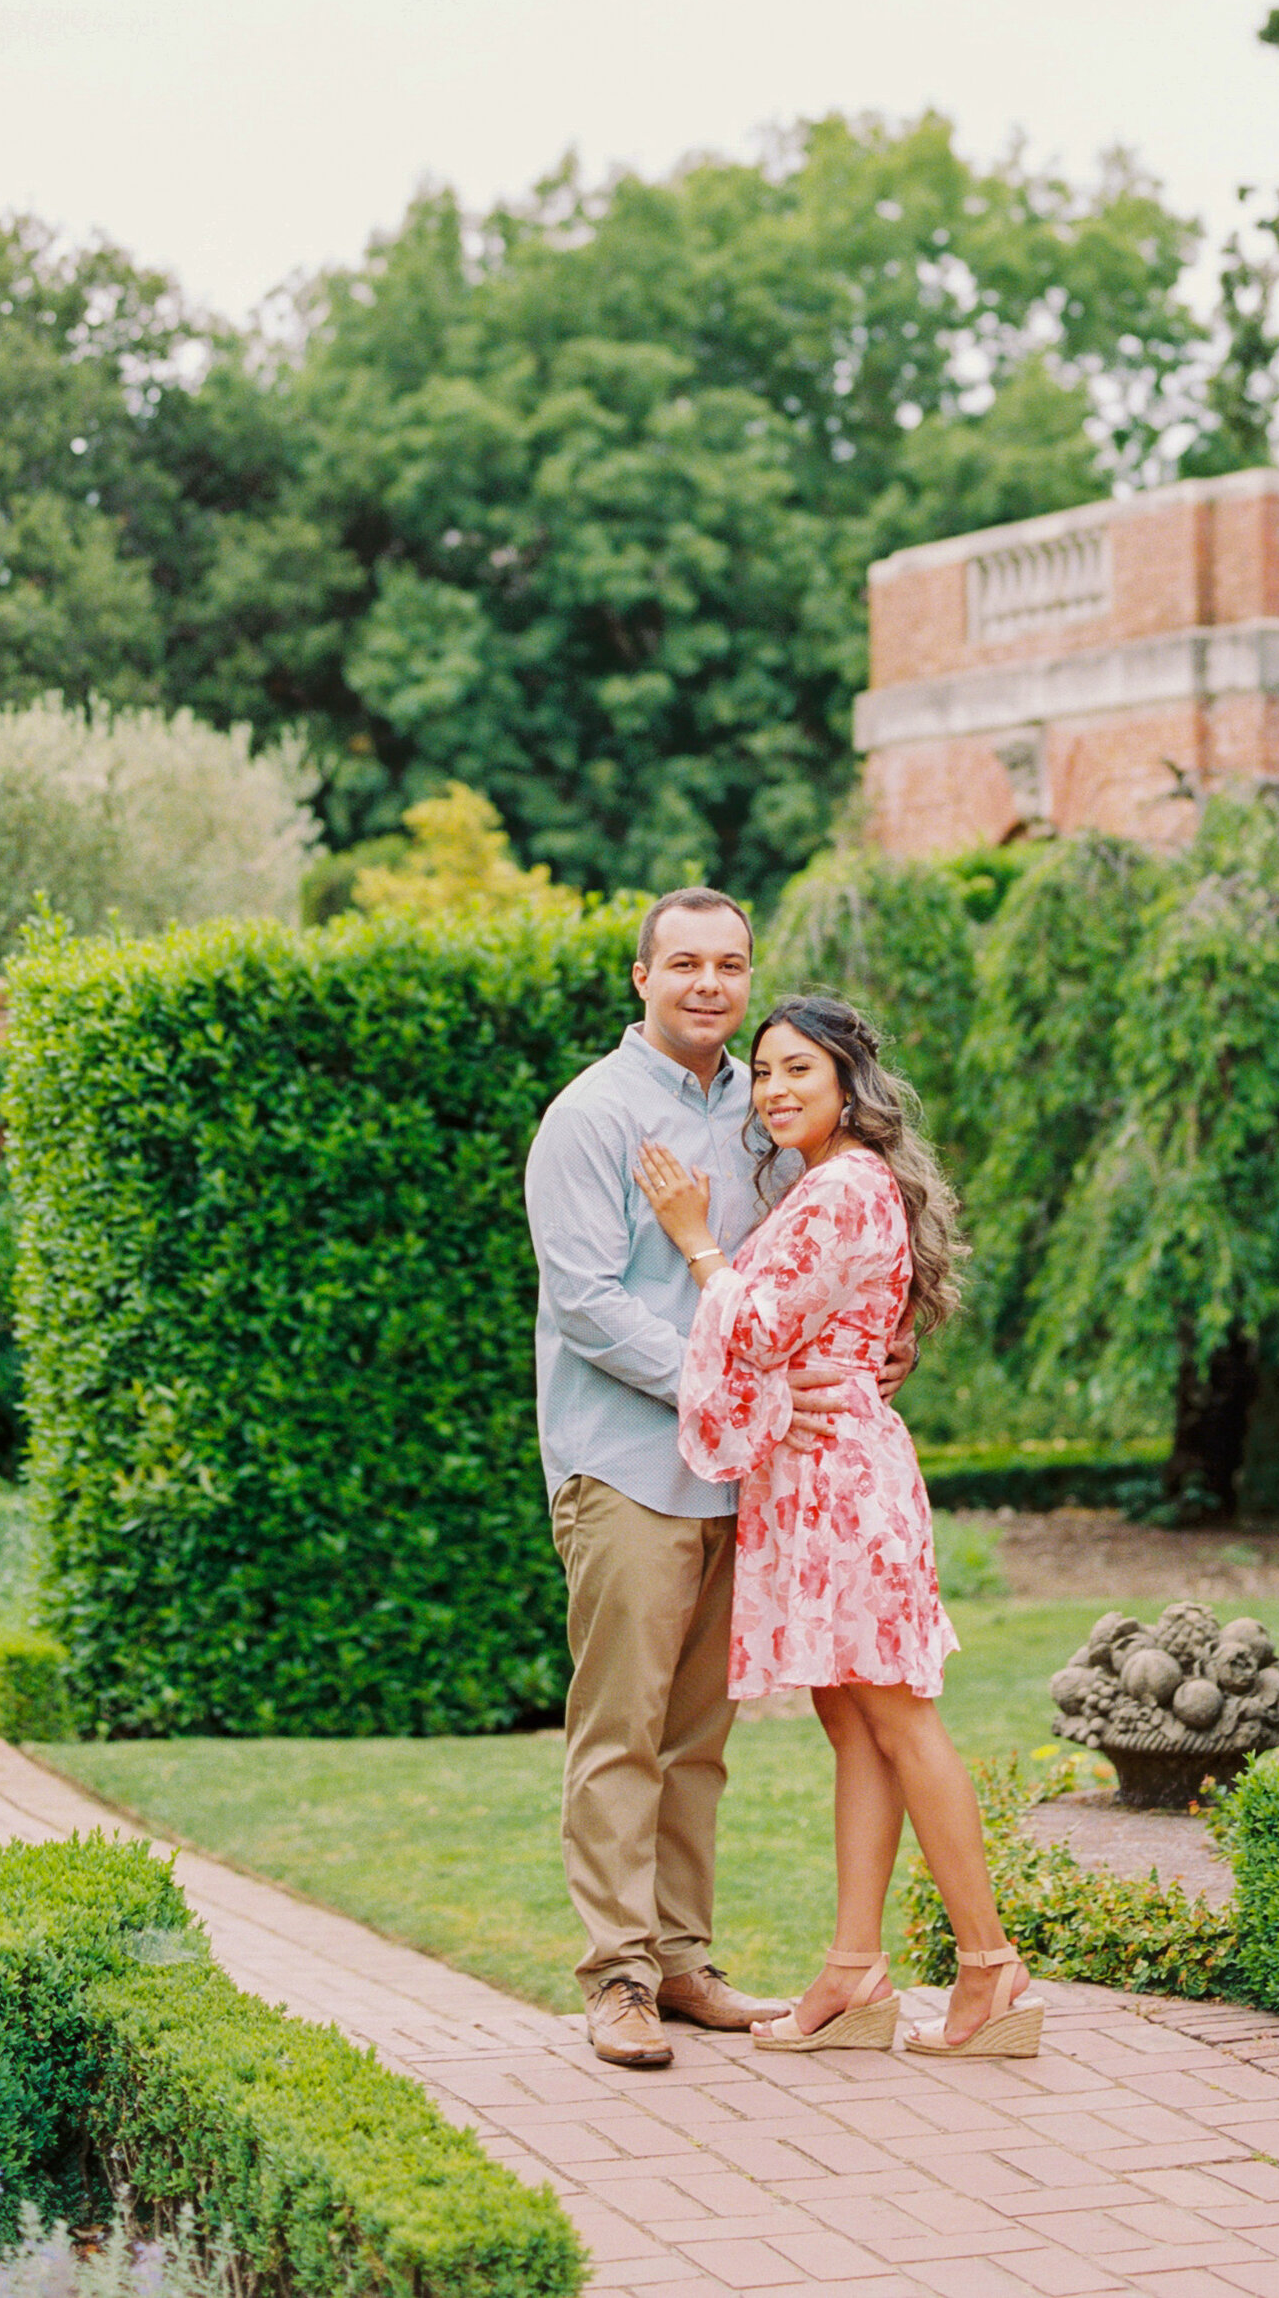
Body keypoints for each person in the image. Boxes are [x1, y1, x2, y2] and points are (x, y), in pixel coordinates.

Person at [524, 887, 911, 2069]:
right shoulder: (588, 1118)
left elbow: (812, 1264)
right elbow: (588, 1304)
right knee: (620, 1730)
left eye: (729, 964)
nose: (708, 982)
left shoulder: (768, 1110)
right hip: (627, 1466)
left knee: (699, 1739)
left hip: (740, 1475)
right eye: (682, 962)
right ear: (637, 978)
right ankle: (618, 1979)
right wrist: (730, 1386)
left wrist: (876, 1339)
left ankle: (684, 1962)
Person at [634, 991, 1041, 2060]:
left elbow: (758, 1326)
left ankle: (991, 1969)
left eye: (796, 1070)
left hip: (841, 1485)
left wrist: (693, 1240)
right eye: (762, 1073)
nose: (772, 1090)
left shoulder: (841, 1187)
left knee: (899, 1717)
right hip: (811, 1478)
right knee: (851, 1721)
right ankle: (854, 1969)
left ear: (848, 1082)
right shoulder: (836, 1186)